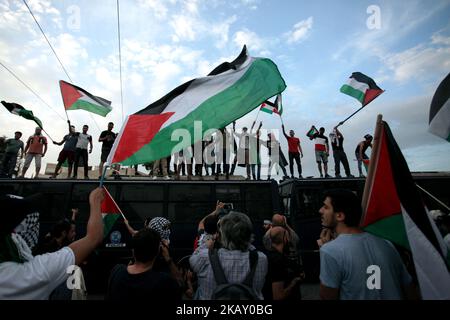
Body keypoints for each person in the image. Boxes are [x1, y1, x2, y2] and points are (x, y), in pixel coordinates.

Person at [0, 188, 105, 299]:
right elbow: (94, 237)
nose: (15, 235)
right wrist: (95, 201)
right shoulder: (19, 275)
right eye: (12, 231)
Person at [317, 189, 416, 300]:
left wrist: (326, 250)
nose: (320, 210)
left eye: (326, 207)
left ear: (340, 216)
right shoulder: (387, 244)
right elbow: (409, 288)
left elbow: (327, 296)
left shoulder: (330, 251)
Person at [189, 211, 268, 300]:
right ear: (249, 234)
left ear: (221, 235)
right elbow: (252, 249)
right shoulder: (261, 259)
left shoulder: (204, 257)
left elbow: (193, 258)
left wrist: (208, 244)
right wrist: (244, 239)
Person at [106, 228, 181, 300]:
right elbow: (180, 285)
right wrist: (168, 260)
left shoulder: (117, 271)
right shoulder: (165, 283)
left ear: (133, 251)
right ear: (158, 251)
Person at [264, 226, 303, 300]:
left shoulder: (268, 256)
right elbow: (278, 296)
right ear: (285, 238)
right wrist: (294, 282)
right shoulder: (278, 260)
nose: (289, 239)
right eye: (288, 237)